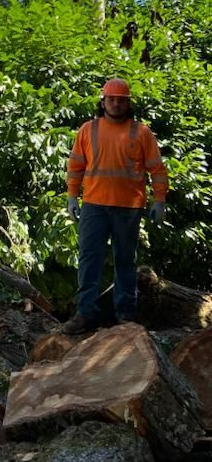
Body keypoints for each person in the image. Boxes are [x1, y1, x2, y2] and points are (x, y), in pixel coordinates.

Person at [62, 77, 168, 335]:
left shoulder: (141, 132)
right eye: (112, 99)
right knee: (89, 259)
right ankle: (85, 314)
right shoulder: (88, 130)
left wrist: (160, 200)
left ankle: (125, 317)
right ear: (104, 101)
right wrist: (72, 197)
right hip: (94, 207)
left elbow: (157, 169)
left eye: (121, 100)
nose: (117, 104)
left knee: (124, 261)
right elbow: (75, 166)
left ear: (127, 103)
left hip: (128, 208)